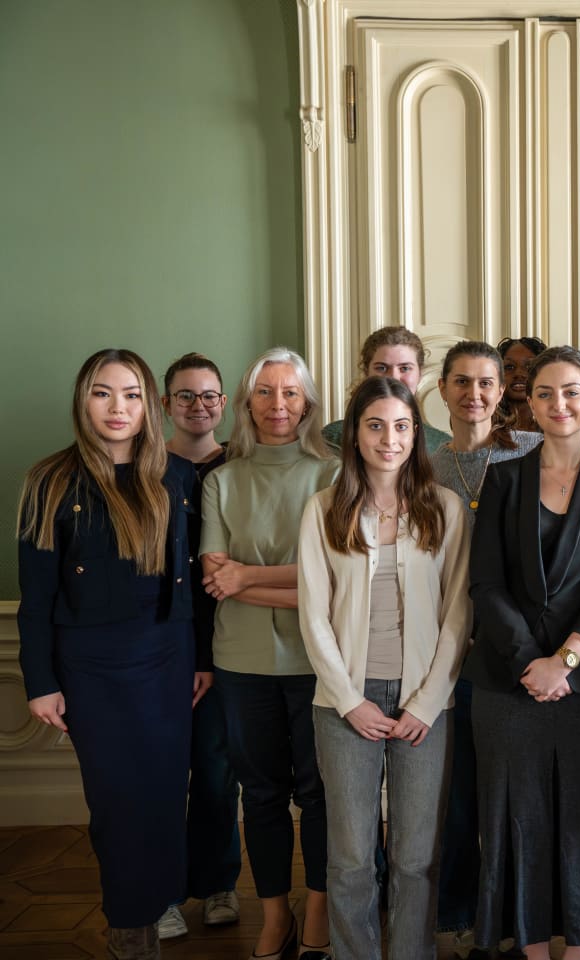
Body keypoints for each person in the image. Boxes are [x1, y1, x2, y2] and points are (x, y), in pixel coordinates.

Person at [18, 348, 202, 960]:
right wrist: (40, 681)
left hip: (169, 659)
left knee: (164, 796)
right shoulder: (49, 480)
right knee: (116, 803)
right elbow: (35, 595)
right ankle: (129, 930)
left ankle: (156, 909)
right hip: (90, 668)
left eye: (130, 394)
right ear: (83, 400)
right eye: (102, 393)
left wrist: (201, 659)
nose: (117, 407)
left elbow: (195, 581)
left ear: (149, 405)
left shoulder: (177, 477)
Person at [463, 345, 580, 959]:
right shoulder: (502, 478)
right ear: (530, 406)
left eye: (571, 392)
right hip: (506, 679)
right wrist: (528, 663)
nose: (558, 403)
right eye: (545, 393)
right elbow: (484, 582)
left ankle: (579, 949)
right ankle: (532, 948)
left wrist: (564, 661)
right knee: (516, 819)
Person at [298, 376, 473, 960]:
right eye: (375, 426)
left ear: (416, 434)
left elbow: (458, 613)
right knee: (350, 857)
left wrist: (426, 703)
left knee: (416, 856)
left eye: (401, 427)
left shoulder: (445, 508)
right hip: (345, 700)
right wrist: (350, 701)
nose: (389, 439)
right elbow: (313, 615)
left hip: (425, 700)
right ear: (354, 434)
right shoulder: (323, 509)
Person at [201, 347, 339, 960]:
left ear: (306, 403)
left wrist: (248, 578)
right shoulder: (221, 479)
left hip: (319, 662)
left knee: (319, 795)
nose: (277, 404)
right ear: (246, 402)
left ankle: (319, 910)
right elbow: (215, 576)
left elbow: (337, 579)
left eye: (290, 392)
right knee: (259, 796)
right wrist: (298, 584)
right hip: (242, 663)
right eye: (265, 391)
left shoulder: (334, 473)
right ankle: (275, 914)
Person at [428, 339, 542, 952]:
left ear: (501, 392)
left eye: (485, 383)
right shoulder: (424, 466)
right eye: (461, 382)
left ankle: (516, 919)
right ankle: (458, 917)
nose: (473, 394)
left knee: (512, 795)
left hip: (514, 650)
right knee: (456, 794)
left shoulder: (532, 451)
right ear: (442, 388)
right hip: (447, 651)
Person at [156, 353, 242, 940]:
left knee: (216, 773)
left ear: (224, 403)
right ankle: (161, 893)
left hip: (228, 643)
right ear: (166, 404)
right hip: (159, 646)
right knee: (161, 776)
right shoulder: (146, 468)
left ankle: (218, 884)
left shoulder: (240, 466)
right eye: (185, 396)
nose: (198, 405)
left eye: (209, 395)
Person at [322, 326, 451, 452]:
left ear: (419, 373)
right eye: (382, 368)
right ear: (367, 372)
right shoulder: (332, 438)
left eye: (405, 368)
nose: (393, 378)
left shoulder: (441, 445)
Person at [495, 336, 546, 433]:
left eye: (529, 367)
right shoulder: (484, 427)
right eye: (509, 367)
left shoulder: (558, 427)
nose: (519, 373)